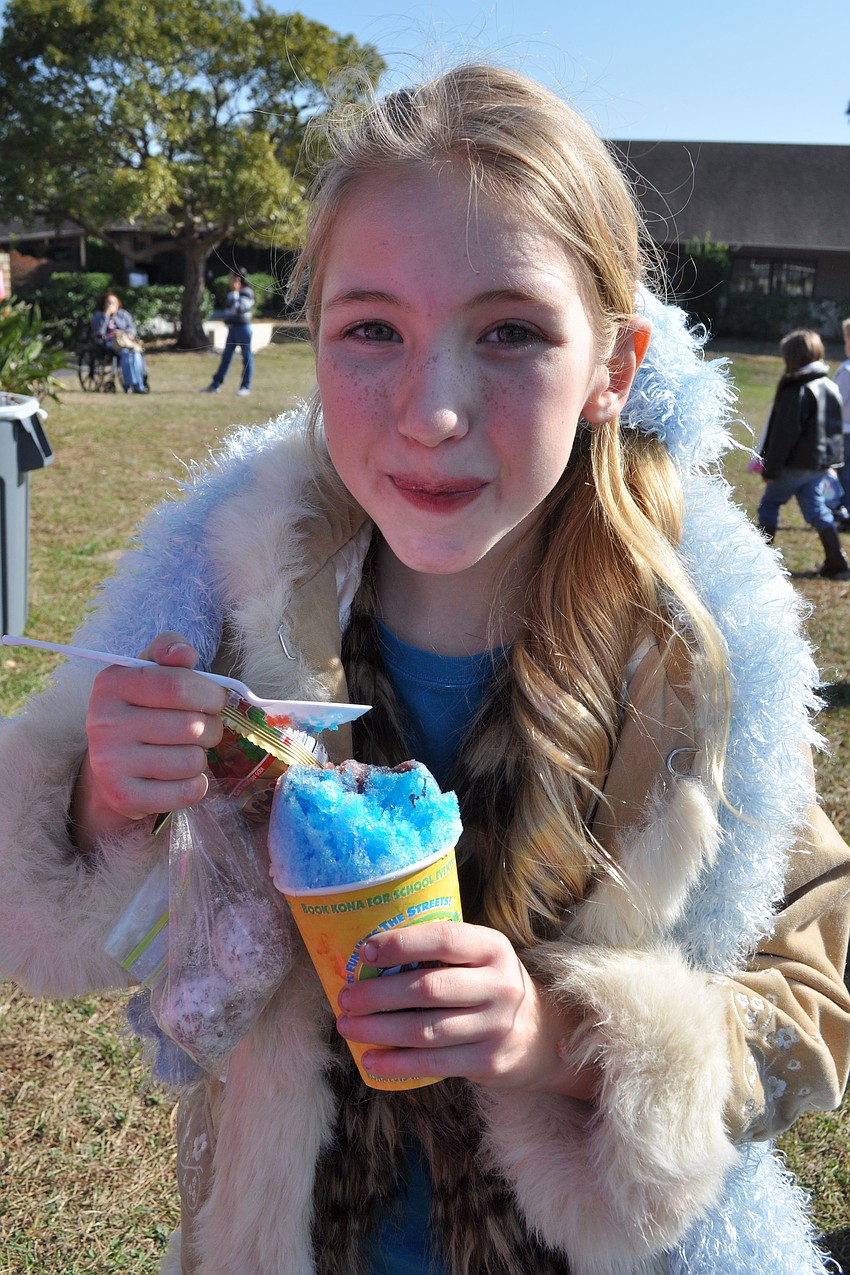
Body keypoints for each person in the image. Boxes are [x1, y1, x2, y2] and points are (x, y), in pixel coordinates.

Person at [1, 64, 849, 1275]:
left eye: (509, 330)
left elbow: (817, 987)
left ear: (613, 365)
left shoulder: (696, 658)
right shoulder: (234, 608)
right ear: (311, 335)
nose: (433, 411)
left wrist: (556, 1039)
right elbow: (79, 930)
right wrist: (109, 805)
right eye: (371, 330)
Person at [756, 328, 849, 577]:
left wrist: (771, 469)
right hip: (817, 466)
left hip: (793, 466)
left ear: (793, 357)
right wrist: (832, 462)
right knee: (816, 509)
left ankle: (758, 563)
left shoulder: (795, 389)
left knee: (769, 504)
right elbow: (835, 430)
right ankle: (836, 561)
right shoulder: (829, 385)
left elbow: (784, 435)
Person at [201, 270, 254, 396]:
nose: (229, 280)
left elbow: (239, 309)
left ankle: (245, 386)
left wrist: (235, 293)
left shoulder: (247, 292)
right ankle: (216, 384)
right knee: (226, 357)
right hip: (233, 328)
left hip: (243, 328)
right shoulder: (233, 293)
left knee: (247, 357)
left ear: (237, 279)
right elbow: (229, 308)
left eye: (231, 277)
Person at [91, 291, 148, 394]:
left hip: (126, 341)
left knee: (136, 354)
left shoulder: (123, 314)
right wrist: (106, 316)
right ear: (104, 304)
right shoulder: (99, 316)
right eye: (108, 302)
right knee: (125, 354)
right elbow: (99, 332)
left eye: (113, 303)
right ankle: (128, 385)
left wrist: (128, 334)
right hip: (110, 342)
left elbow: (131, 328)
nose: (111, 305)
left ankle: (139, 384)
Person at [832, 316, 850, 529]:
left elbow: (835, 404)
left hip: (844, 431)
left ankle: (844, 511)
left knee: (843, 472)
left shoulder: (846, 371)